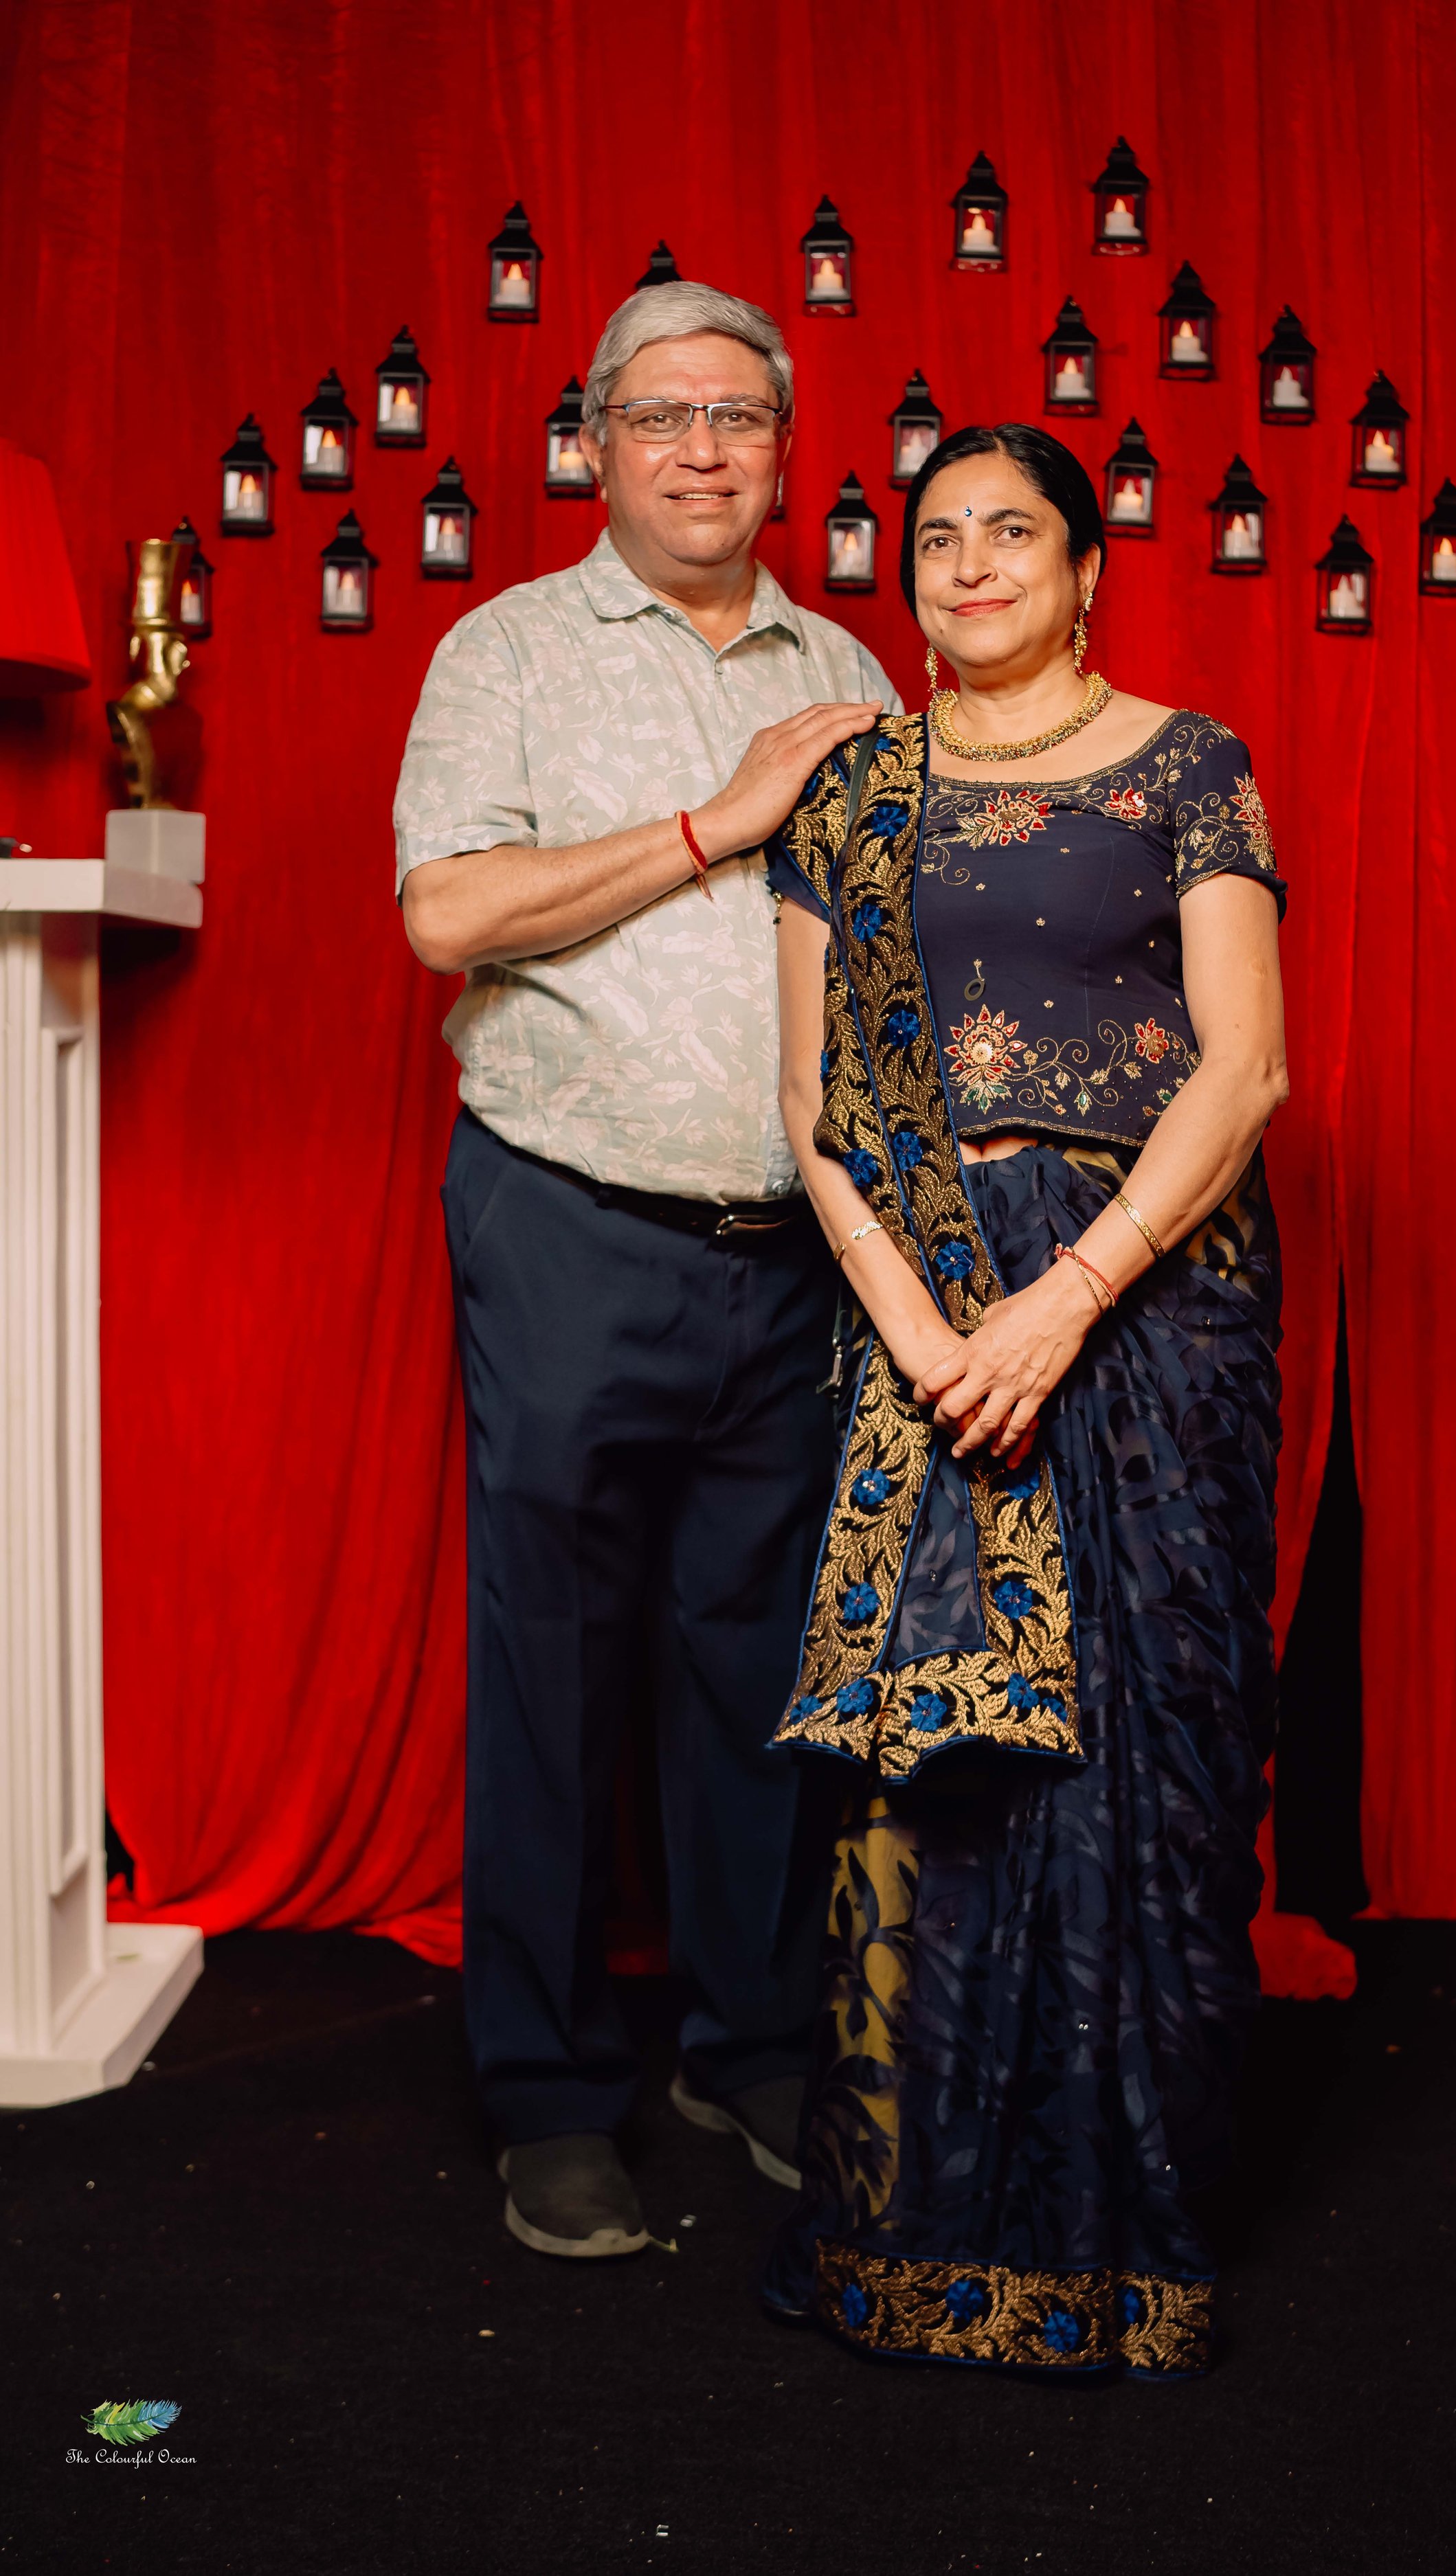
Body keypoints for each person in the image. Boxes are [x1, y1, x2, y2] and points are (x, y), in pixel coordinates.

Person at [761, 423, 1288, 2379]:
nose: (971, 562)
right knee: (924, 1768)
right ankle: (908, 2243)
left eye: (1013, 532)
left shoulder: (1186, 763)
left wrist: (1066, 1300)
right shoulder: (853, 795)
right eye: (937, 536)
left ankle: (1117, 2244)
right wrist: (923, 1332)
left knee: (1142, 1753)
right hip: (921, 1314)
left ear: (1084, 570)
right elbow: (813, 1106)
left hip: (1145, 1310)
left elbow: (1243, 1072)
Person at [392, 280, 899, 2259]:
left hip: (795, 1248)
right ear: (594, 444)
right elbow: (447, 915)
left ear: (784, 453)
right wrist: (716, 821)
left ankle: (748, 2043)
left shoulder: (847, 660)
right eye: (662, 415)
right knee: (550, 1660)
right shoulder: (506, 649)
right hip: (568, 1219)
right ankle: (544, 2088)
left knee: (758, 1663)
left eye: (738, 417)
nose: (702, 449)